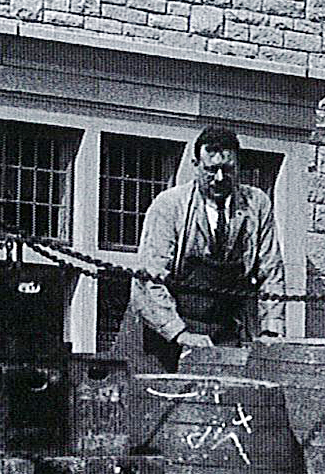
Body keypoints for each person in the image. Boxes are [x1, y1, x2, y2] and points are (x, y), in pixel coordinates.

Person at [109, 126, 285, 372]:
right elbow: (149, 280)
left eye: (229, 169)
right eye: (211, 170)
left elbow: (271, 272)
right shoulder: (169, 206)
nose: (221, 178)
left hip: (220, 331)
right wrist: (180, 333)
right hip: (159, 336)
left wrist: (271, 330)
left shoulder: (257, 205)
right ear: (195, 165)